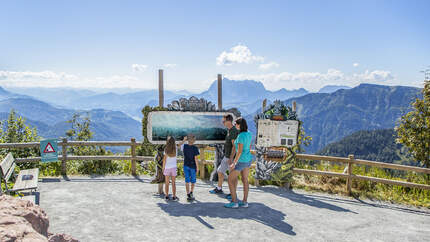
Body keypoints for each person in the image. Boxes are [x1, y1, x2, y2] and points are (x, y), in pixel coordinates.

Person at [224, 118, 252, 209]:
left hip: (241, 161)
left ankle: (234, 202)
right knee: (245, 180)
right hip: (248, 160)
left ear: (239, 125)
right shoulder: (249, 134)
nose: (235, 125)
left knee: (230, 179)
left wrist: (234, 163)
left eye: (236, 124)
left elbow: (239, 152)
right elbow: (249, 147)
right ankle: (244, 202)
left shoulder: (240, 136)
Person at [210, 114, 238, 196]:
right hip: (227, 156)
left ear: (229, 121)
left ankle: (232, 193)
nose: (223, 123)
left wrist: (231, 158)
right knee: (220, 171)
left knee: (232, 176)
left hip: (231, 157)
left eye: (224, 121)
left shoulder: (233, 131)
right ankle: (219, 188)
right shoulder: (229, 130)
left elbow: (234, 146)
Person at [178, 134, 200, 201]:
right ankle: (191, 192)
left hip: (186, 165)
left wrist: (184, 140)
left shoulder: (184, 146)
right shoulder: (195, 148)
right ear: (193, 141)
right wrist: (198, 167)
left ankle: (188, 194)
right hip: (193, 166)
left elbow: (178, 146)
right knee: (193, 180)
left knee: (187, 180)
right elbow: (196, 159)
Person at [162, 136, 178, 201]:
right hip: (174, 167)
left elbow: (164, 160)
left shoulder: (166, 149)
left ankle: (166, 196)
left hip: (167, 168)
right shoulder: (175, 149)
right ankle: (174, 196)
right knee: (174, 183)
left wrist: (163, 168)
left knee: (167, 183)